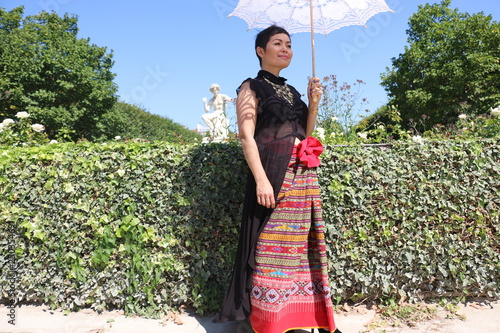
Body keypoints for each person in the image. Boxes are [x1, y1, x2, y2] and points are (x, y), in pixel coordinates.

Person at [212, 25, 341, 333]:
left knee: (297, 247)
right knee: (270, 245)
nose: (286, 49)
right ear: (261, 50)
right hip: (272, 170)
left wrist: (314, 103)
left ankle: (294, 316)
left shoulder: (294, 91)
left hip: (302, 173)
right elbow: (246, 136)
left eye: (289, 44)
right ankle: (266, 319)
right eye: (277, 43)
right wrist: (261, 180)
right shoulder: (251, 87)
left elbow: (305, 133)